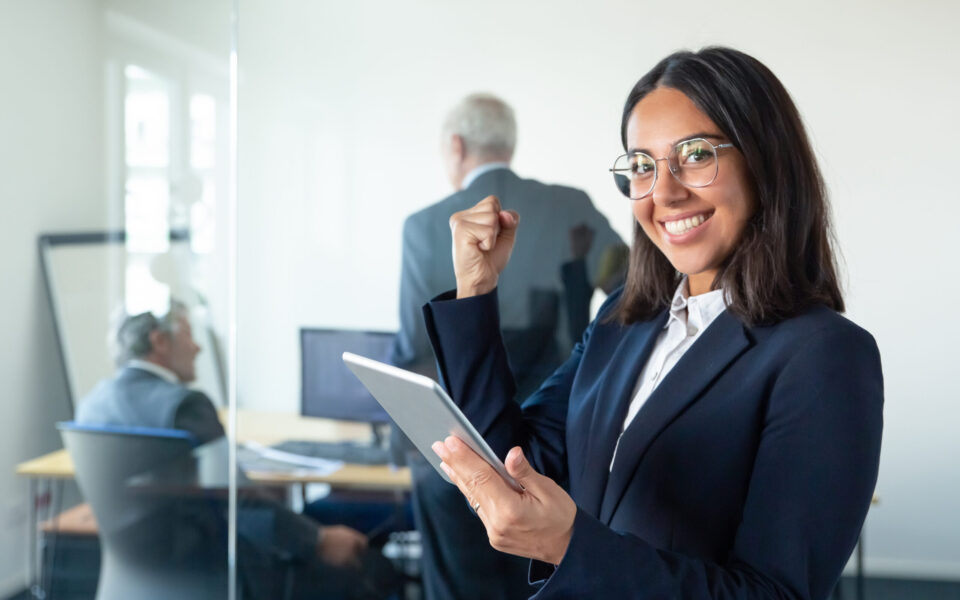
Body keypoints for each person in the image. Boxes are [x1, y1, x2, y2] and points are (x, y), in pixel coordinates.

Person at [426, 47, 883, 599]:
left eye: (694, 155)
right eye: (642, 165)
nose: (664, 192)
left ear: (765, 161)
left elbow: (773, 594)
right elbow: (512, 462)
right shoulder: (623, 321)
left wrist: (570, 546)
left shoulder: (824, 355)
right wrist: (476, 291)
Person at [391, 93, 626, 600]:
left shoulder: (424, 226)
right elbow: (637, 291)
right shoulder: (572, 207)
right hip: (555, 452)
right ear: (509, 143)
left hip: (453, 453)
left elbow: (413, 347)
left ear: (456, 146)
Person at [77, 300, 396, 600]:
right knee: (377, 570)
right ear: (159, 341)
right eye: (189, 335)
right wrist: (318, 541)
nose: (198, 347)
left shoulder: (92, 405)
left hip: (136, 575)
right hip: (217, 573)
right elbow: (237, 498)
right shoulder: (184, 405)